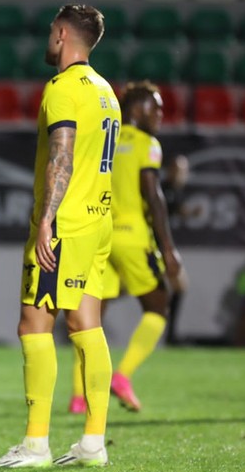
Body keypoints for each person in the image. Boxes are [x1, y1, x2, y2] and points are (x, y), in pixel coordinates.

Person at [0, 5, 119, 468]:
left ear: (62, 35)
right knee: (87, 324)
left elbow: (61, 152)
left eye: (49, 32)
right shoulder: (106, 92)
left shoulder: (61, 89)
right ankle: (93, 442)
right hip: (99, 221)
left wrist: (46, 218)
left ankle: (36, 444)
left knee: (33, 323)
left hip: (65, 223)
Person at [68, 81, 184, 414]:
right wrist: (169, 248)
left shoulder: (104, 142)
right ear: (135, 110)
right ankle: (122, 376)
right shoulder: (147, 144)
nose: (160, 114)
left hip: (102, 236)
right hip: (133, 238)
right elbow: (153, 197)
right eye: (155, 107)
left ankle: (79, 397)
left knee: (90, 319)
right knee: (158, 307)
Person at [161, 154, 193, 345]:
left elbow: (174, 210)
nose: (182, 174)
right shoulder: (162, 188)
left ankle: (171, 335)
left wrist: (188, 212)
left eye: (185, 170)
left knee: (179, 287)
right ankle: (170, 336)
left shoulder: (175, 191)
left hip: (162, 247)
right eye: (179, 169)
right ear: (170, 170)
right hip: (155, 247)